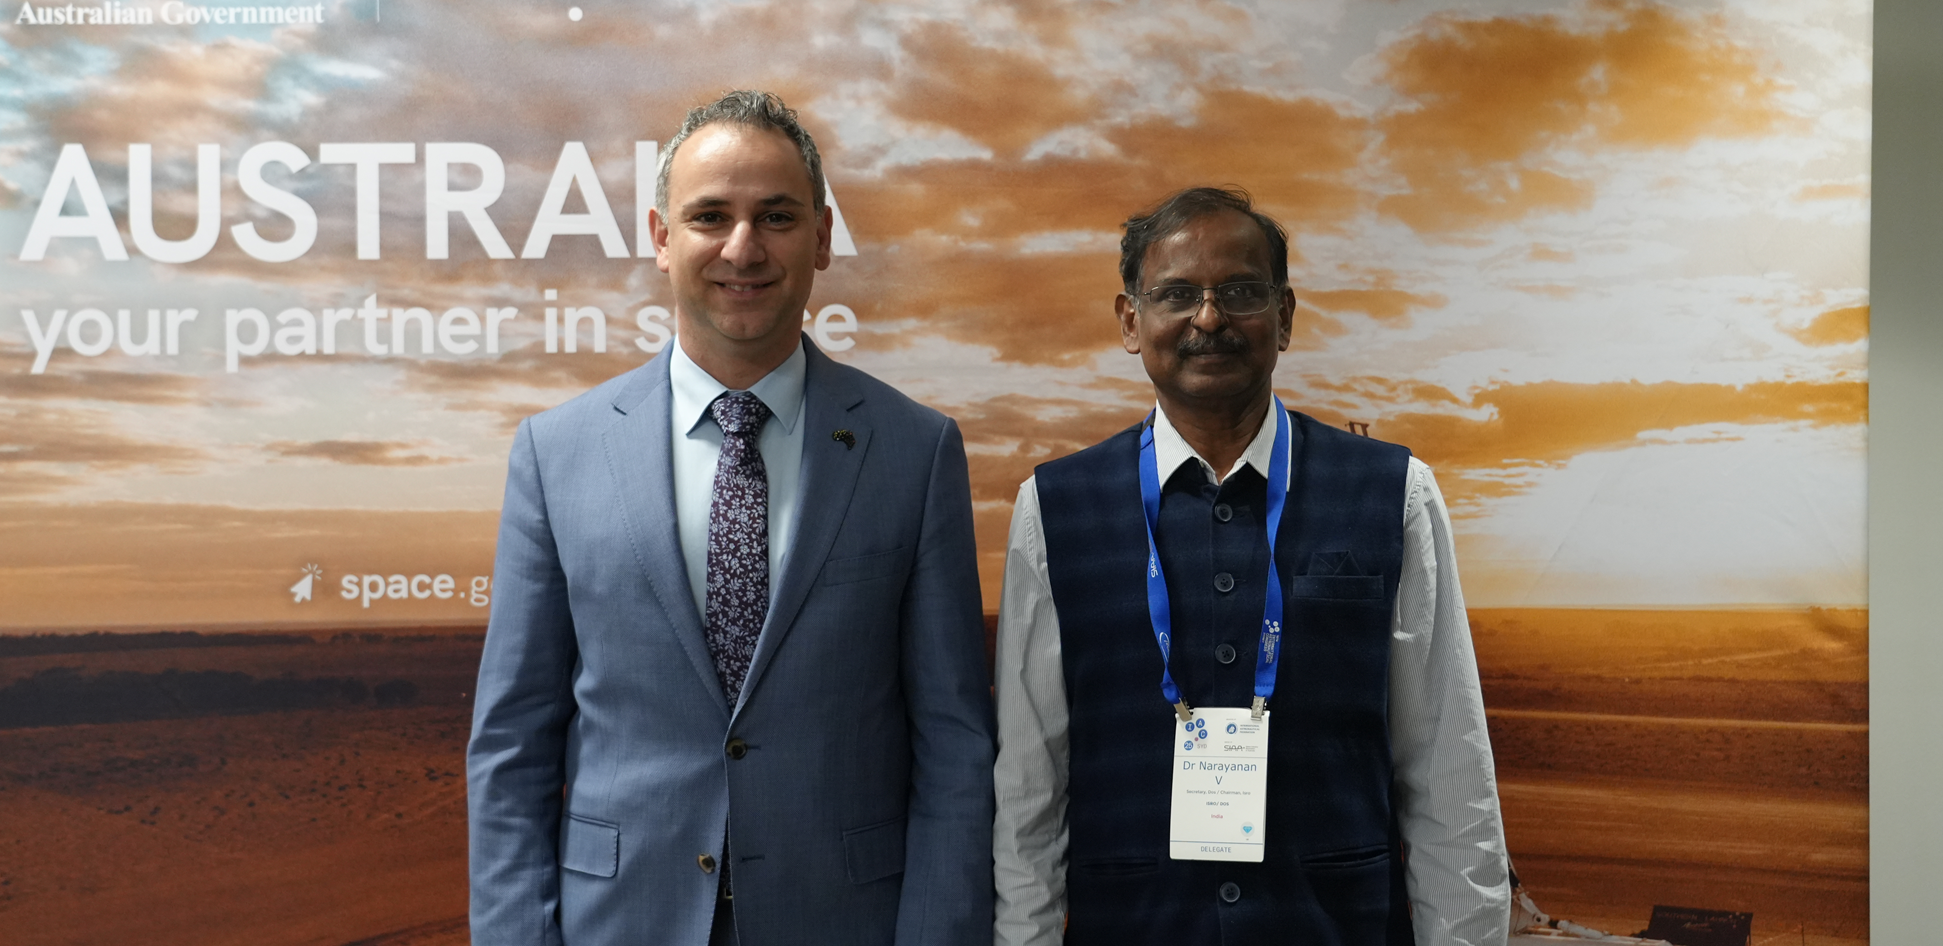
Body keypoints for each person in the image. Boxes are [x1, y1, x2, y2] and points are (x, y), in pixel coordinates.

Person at [468, 90, 995, 946]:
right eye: (710, 215)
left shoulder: (916, 450)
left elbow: (955, 744)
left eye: (776, 216)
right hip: (622, 921)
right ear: (660, 236)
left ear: (822, 238)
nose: (742, 247)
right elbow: (511, 748)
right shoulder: (555, 452)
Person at [991, 186, 1509, 945]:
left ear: (1286, 317)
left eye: (1239, 292)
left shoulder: (1395, 493)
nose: (1209, 318)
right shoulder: (1053, 509)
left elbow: (1449, 776)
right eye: (1176, 294)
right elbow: (1029, 790)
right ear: (1131, 321)